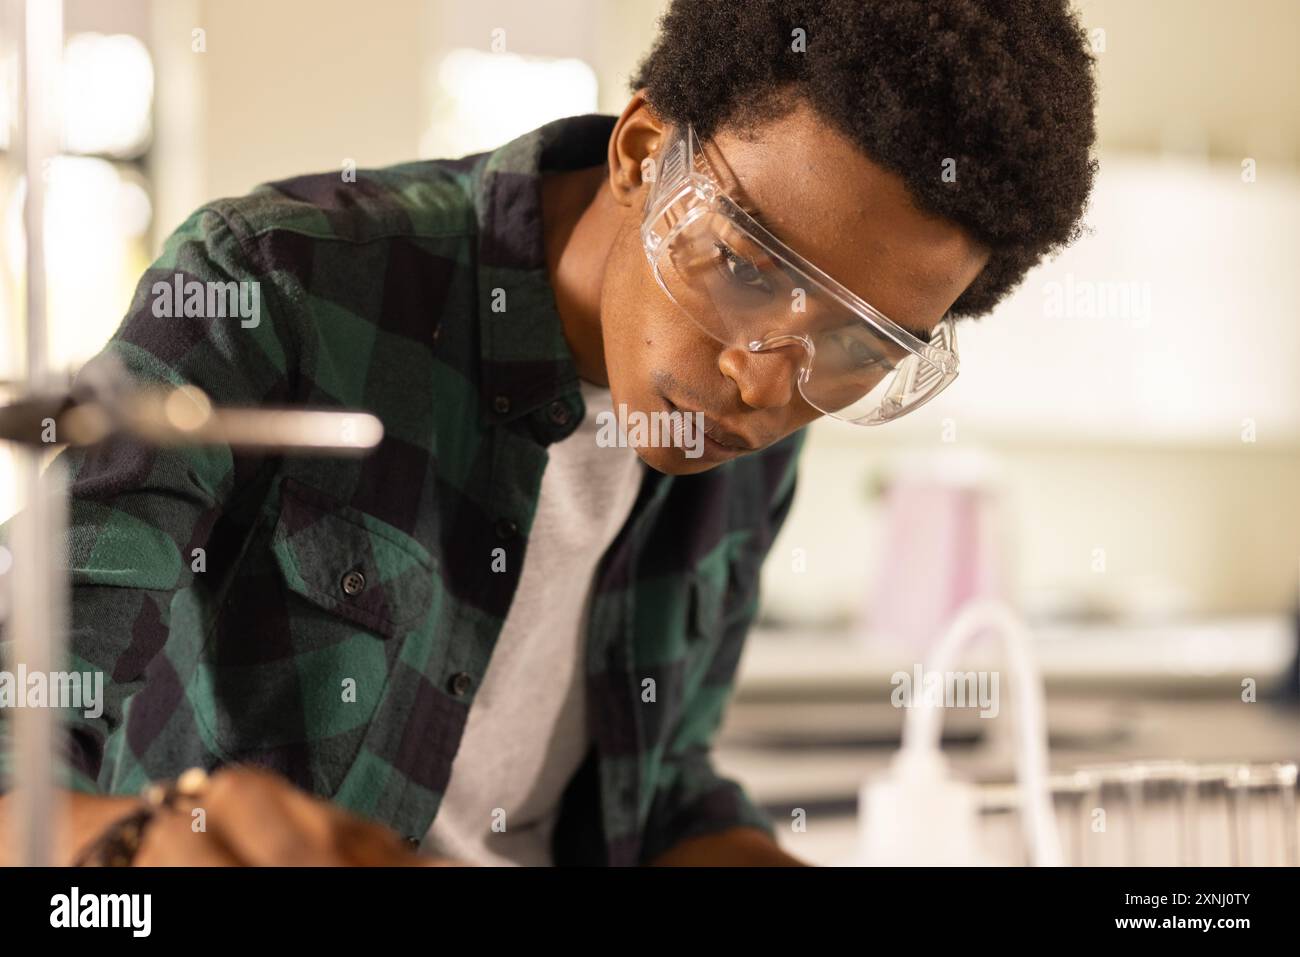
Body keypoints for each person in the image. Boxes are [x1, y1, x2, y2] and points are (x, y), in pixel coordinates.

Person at [0, 0, 1097, 866]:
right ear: (639, 153)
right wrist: (128, 848)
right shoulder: (280, 283)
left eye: (856, 346)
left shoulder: (753, 414)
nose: (765, 379)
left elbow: (655, 797)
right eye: (751, 268)